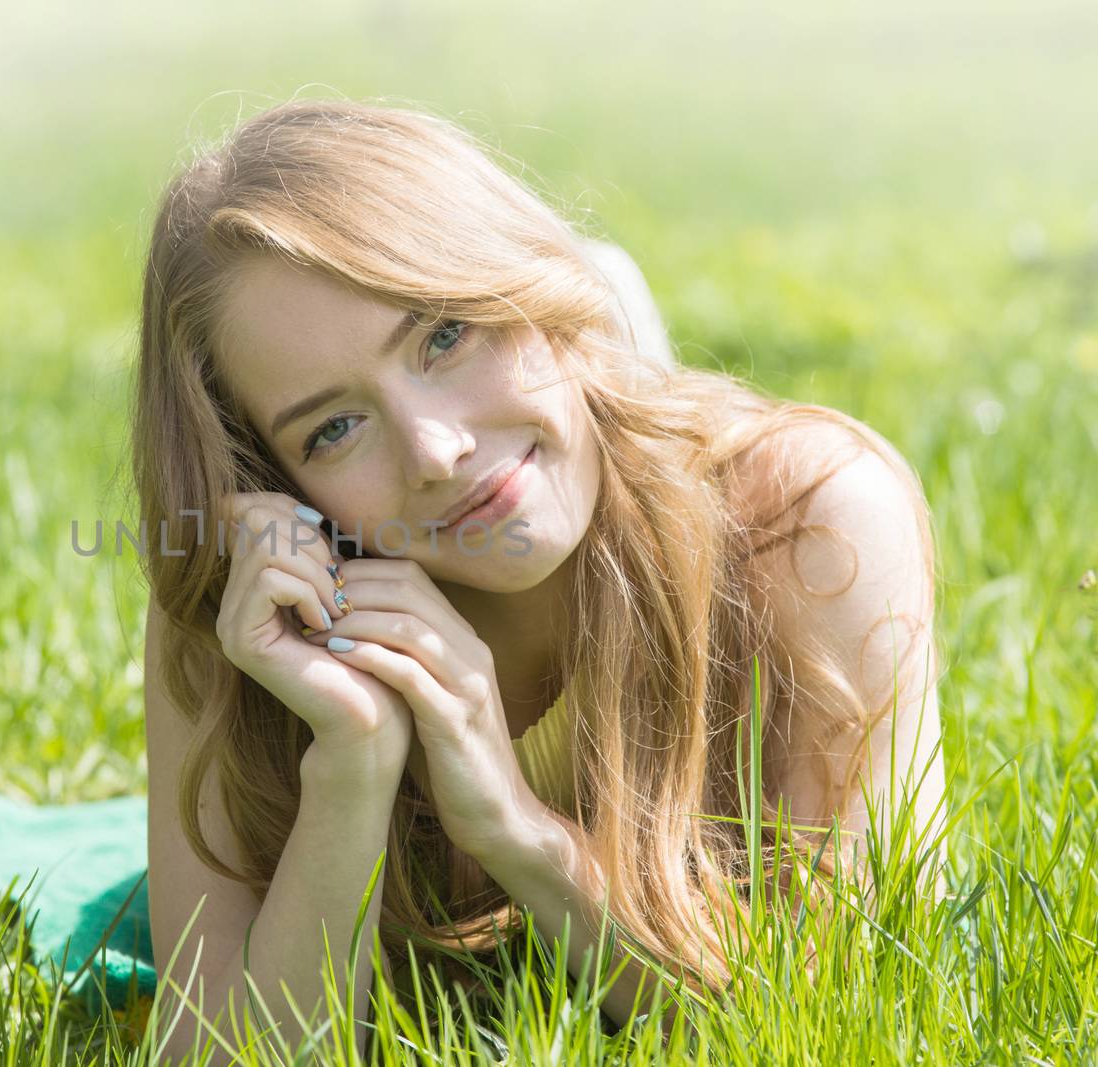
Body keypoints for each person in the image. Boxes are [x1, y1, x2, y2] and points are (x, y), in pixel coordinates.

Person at [130, 98, 950, 1059]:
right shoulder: (254, 608)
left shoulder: (811, 519)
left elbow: (849, 1016)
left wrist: (518, 830)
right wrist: (348, 768)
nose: (435, 450)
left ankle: (613, 338)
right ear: (276, 483)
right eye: (333, 428)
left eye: (444, 335)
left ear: (524, 282)